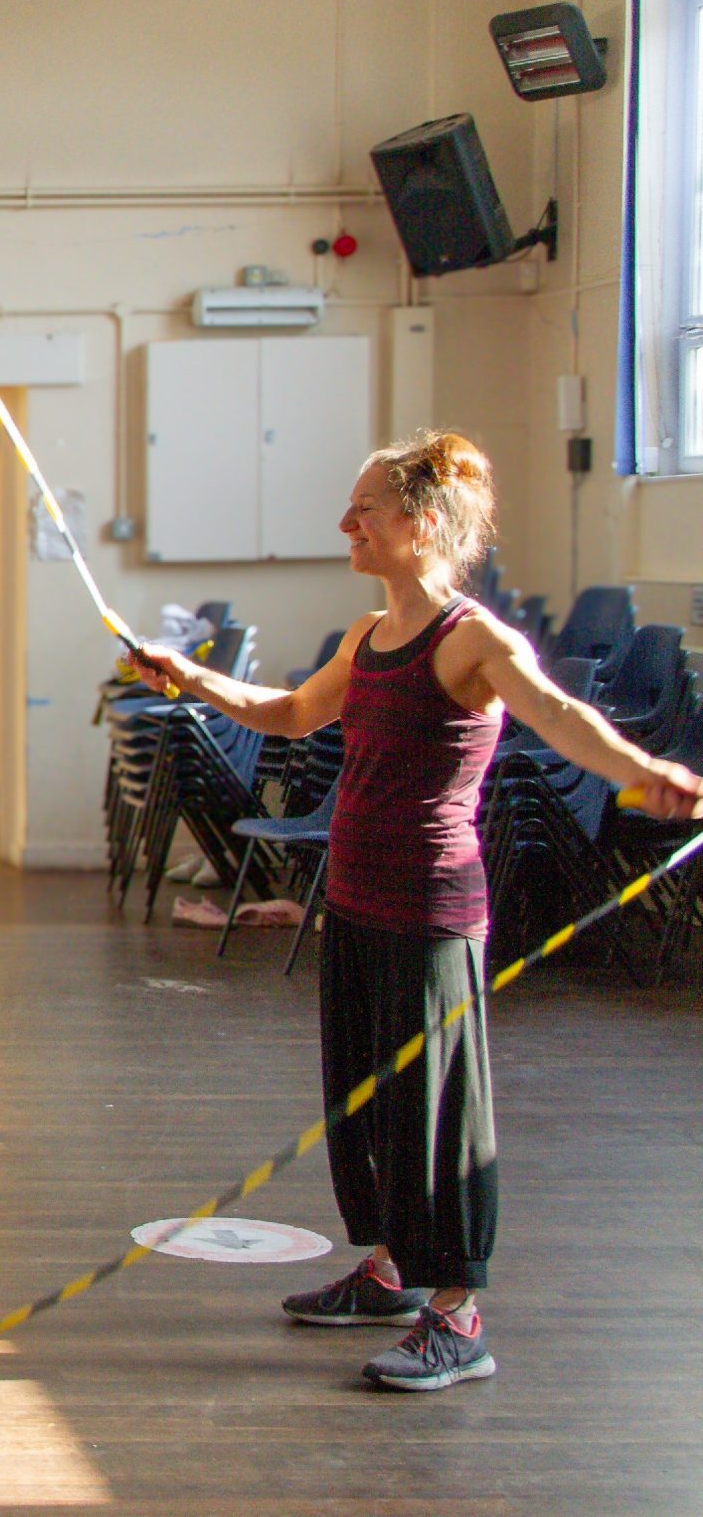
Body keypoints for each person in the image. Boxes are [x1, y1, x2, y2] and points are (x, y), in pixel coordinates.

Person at [131, 430, 700, 1393]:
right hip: (353, 894)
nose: (346, 523)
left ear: (423, 524)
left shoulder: (472, 640)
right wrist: (192, 679)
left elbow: (558, 717)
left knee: (438, 1112)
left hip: (431, 906)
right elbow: (292, 714)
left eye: (366, 510)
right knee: (367, 1098)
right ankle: (393, 1272)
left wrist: (644, 773)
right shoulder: (368, 635)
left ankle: (459, 1315)